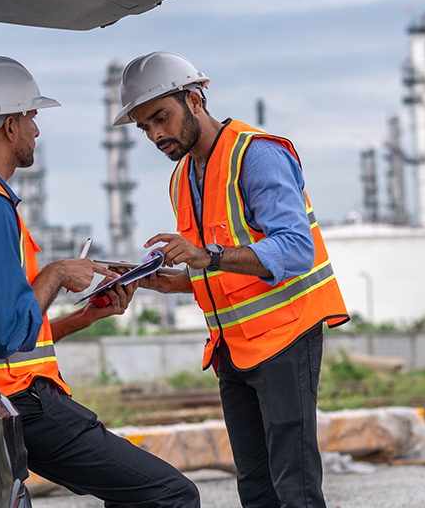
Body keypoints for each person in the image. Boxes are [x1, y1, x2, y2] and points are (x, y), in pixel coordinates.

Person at [0, 56, 200, 508]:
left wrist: (85, 316)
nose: (36, 131)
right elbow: (5, 336)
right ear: (8, 125)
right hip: (20, 402)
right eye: (31, 118)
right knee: (170, 496)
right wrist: (57, 273)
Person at [115, 51, 350, 508]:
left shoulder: (256, 155)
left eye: (161, 118)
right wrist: (171, 282)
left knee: (294, 487)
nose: (156, 134)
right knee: (255, 489)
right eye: (144, 127)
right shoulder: (183, 176)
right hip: (231, 349)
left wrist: (208, 256)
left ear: (195, 100)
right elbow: (218, 270)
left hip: (284, 337)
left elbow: (295, 248)